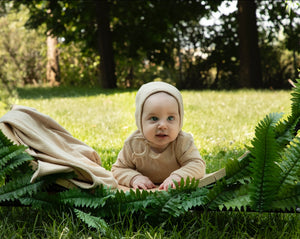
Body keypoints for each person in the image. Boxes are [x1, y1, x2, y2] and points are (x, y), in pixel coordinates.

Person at [111, 81, 205, 190]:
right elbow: (118, 169)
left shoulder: (182, 142)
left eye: (170, 118)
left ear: (180, 120)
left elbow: (197, 164)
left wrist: (179, 176)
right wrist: (134, 178)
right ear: (140, 121)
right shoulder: (133, 144)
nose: (163, 126)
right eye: (154, 118)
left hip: (177, 194)